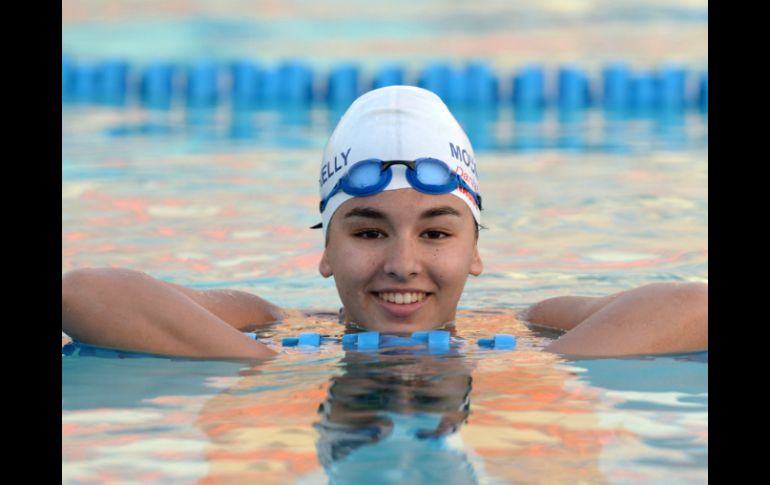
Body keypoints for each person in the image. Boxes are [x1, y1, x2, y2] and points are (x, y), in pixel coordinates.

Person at [61, 85, 708, 361]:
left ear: (476, 248)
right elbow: (82, 292)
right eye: (369, 231)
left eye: (436, 231)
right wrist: (260, 363)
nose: (403, 262)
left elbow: (694, 305)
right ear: (325, 250)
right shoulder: (271, 325)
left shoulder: (528, 326)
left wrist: (552, 363)